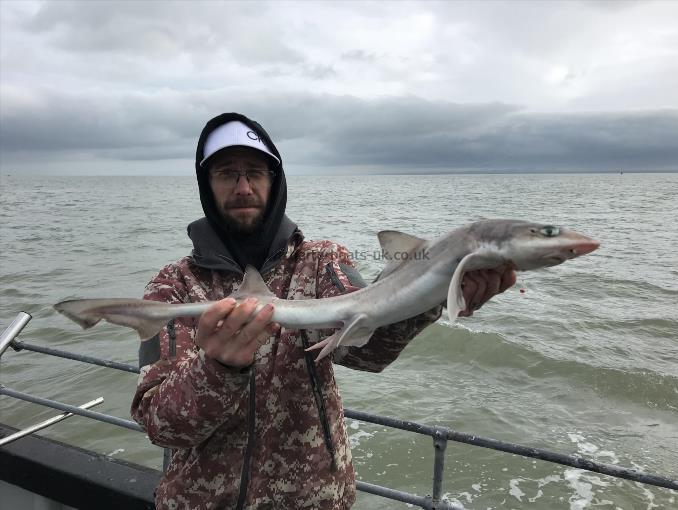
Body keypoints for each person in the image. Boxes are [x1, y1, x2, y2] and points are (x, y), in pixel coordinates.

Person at [131, 112, 515, 510]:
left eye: (255, 173)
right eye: (227, 174)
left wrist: (430, 295)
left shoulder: (322, 262)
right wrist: (216, 370)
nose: (243, 187)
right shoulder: (173, 286)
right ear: (206, 186)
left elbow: (368, 351)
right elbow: (159, 425)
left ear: (274, 181)